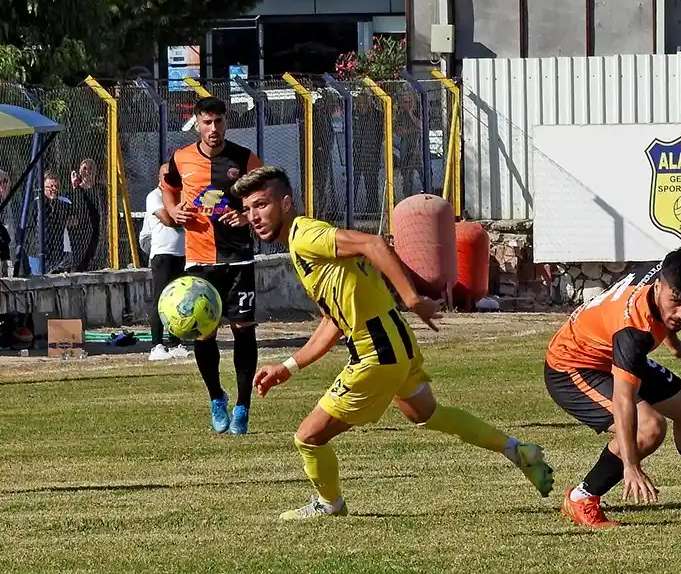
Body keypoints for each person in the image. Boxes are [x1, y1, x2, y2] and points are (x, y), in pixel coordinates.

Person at [234, 166, 554, 519]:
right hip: (394, 339)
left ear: (286, 202)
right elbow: (333, 322)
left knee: (308, 437)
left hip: (376, 351)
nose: (254, 217)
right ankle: (518, 451)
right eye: (248, 209)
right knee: (428, 414)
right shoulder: (302, 244)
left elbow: (372, 243)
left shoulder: (306, 235)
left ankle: (330, 505)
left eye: (261, 205)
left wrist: (412, 298)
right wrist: (288, 367)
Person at [544, 250, 681, 527]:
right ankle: (581, 498)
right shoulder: (633, 331)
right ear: (659, 287)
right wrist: (631, 465)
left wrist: (672, 341)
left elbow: (666, 309)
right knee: (648, 428)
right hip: (572, 367)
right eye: (676, 302)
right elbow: (624, 400)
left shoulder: (662, 273)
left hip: (609, 353)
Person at [162, 97, 263, 435]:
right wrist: (174, 211)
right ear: (197, 124)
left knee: (242, 331)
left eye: (219, 121)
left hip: (239, 260)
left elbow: (269, 197)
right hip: (200, 261)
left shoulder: (244, 158)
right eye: (207, 122)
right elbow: (168, 186)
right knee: (203, 333)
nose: (214, 129)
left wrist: (247, 215)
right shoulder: (181, 158)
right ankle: (216, 397)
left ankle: (243, 405)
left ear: (226, 123)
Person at [142, 162, 189, 362]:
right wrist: (187, 218)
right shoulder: (154, 196)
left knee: (177, 300)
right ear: (159, 179)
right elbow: (168, 220)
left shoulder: (181, 195)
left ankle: (176, 342)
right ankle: (156, 345)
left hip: (182, 254)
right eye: (165, 176)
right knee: (160, 299)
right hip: (163, 254)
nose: (169, 179)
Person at [70, 158, 105, 271]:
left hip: (98, 229)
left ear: (95, 171)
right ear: (80, 171)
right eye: (84, 168)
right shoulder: (77, 190)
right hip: (82, 231)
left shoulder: (100, 189)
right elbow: (75, 208)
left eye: (90, 168)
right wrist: (75, 187)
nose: (87, 171)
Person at [41, 173, 75, 273]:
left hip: (62, 247)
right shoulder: (38, 203)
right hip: (44, 249)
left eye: (56, 186)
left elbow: (74, 220)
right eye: (50, 186)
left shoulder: (64, 202)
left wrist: (63, 221)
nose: (54, 189)